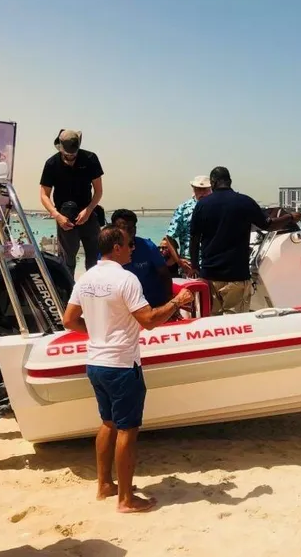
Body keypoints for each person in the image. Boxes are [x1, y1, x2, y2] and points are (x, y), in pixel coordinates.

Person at [62, 225, 193, 514]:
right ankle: (125, 499)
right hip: (121, 364)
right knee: (127, 430)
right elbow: (149, 320)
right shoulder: (126, 278)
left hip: (96, 362)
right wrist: (177, 301)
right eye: (129, 244)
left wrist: (99, 332)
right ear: (117, 247)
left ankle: (104, 485)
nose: (133, 249)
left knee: (108, 423)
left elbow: (69, 320)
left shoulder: (86, 277)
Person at [189, 166, 301, 315]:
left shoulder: (202, 205)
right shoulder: (244, 202)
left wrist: (195, 266)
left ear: (213, 183)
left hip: (209, 275)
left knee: (212, 322)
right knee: (235, 323)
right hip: (236, 275)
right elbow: (268, 225)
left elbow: (194, 238)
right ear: (230, 181)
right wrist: (290, 217)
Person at [40, 129, 104, 277]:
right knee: (67, 261)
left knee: (94, 259)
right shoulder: (51, 163)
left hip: (88, 212)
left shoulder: (90, 158)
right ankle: (68, 287)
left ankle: (95, 287)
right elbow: (44, 195)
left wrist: (88, 210)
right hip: (64, 216)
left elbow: (99, 191)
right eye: (67, 154)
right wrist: (57, 216)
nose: (71, 157)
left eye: (73, 154)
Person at [111, 209, 173, 308]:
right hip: (123, 304)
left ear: (135, 229)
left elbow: (165, 274)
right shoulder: (107, 250)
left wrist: (170, 301)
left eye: (130, 228)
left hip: (151, 303)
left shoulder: (148, 247)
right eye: (122, 228)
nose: (127, 232)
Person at [166, 175, 212, 274]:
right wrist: (179, 260)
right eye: (198, 189)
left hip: (213, 263)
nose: (202, 193)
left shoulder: (217, 208)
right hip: (189, 266)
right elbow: (170, 236)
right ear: (193, 190)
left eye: (205, 189)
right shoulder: (183, 208)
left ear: (211, 189)